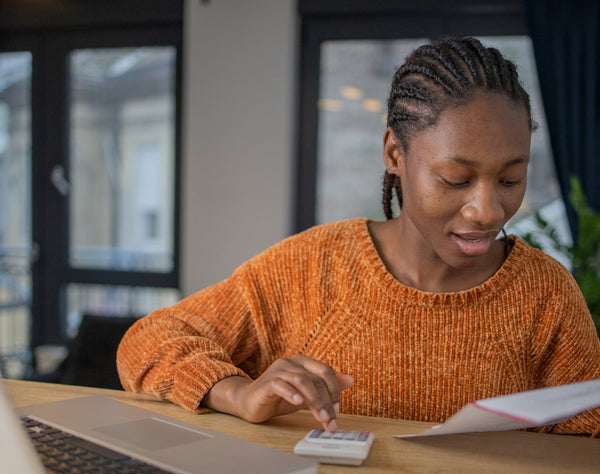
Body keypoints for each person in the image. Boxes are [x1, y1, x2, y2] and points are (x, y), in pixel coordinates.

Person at [117, 36, 600, 437]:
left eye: (512, 180)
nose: (487, 210)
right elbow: (148, 340)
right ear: (395, 153)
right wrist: (235, 392)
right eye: (455, 179)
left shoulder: (545, 294)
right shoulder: (312, 266)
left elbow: (585, 445)